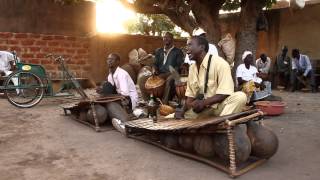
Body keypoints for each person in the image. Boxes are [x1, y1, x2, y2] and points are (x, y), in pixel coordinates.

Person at [175, 36, 247, 119]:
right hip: (204, 110)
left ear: (202, 47)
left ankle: (221, 122)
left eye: (190, 45)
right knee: (173, 117)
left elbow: (224, 93)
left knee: (240, 97)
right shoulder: (192, 68)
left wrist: (203, 103)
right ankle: (216, 122)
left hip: (220, 107)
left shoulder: (220, 63)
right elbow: (190, 96)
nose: (187, 49)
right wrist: (183, 111)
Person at [154, 32, 184, 104]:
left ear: (172, 39)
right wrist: (154, 70)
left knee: (169, 80)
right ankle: (153, 100)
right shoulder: (159, 51)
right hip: (161, 73)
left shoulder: (178, 51)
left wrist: (171, 73)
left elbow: (179, 65)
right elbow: (155, 64)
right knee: (150, 80)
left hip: (173, 74)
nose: (165, 39)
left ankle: (165, 102)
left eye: (168, 37)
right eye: (164, 37)